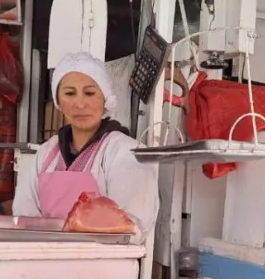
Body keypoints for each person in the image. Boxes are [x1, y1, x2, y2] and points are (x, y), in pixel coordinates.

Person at [13, 51, 160, 242]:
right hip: (47, 262)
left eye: (90, 93)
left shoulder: (125, 152)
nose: (80, 104)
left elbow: (132, 228)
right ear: (59, 102)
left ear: (105, 98)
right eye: (69, 93)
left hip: (103, 266)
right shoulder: (46, 153)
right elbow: (25, 219)